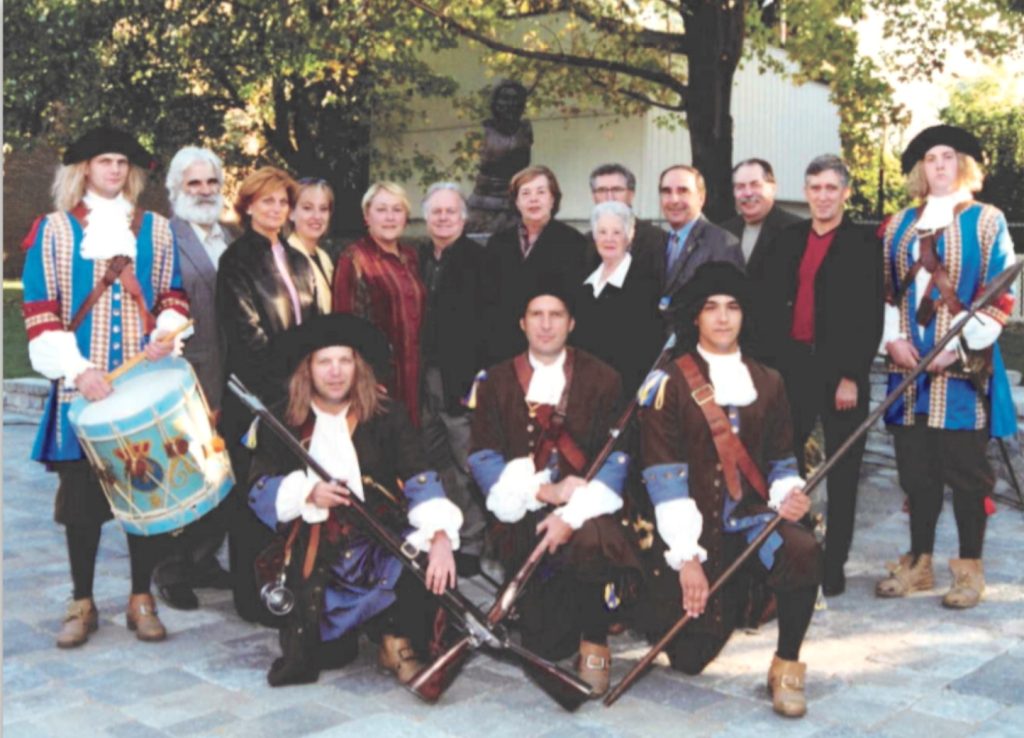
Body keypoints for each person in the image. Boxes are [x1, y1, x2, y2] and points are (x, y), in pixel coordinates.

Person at [22, 126, 191, 646]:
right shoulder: (51, 231)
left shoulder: (157, 230)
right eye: (104, 162)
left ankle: (141, 596)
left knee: (147, 491)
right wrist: (79, 371)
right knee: (82, 502)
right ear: (84, 170)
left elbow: (173, 294)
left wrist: (166, 332)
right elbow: (41, 311)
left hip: (142, 384)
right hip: (83, 387)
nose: (114, 170)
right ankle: (82, 599)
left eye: (122, 162)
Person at [638, 261, 821, 718]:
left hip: (751, 524)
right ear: (695, 317)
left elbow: (781, 461)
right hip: (692, 530)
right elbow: (664, 478)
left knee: (802, 550)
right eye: (711, 307)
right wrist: (687, 557)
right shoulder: (668, 384)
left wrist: (788, 493)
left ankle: (788, 664)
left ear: (745, 315)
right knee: (689, 661)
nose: (723, 317)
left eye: (733, 307)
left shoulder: (769, 381)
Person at [247, 314, 462, 686]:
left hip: (380, 543)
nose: (335, 372)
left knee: (425, 562)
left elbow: (419, 475)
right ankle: (370, 631)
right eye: (324, 361)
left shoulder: (386, 415)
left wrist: (441, 536)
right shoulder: (283, 420)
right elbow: (258, 487)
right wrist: (308, 493)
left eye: (344, 361)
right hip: (319, 553)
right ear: (308, 369)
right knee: (330, 655)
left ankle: (395, 639)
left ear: (357, 367)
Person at [467, 284, 642, 696]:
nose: (546, 325)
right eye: (537, 315)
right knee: (545, 642)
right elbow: (482, 457)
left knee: (592, 535)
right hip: (522, 515)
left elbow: (616, 460)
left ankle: (596, 639)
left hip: (588, 507)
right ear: (522, 323)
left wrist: (569, 512)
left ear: (571, 323)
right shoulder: (494, 380)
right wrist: (543, 494)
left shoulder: (603, 378)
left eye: (556, 315)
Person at [876, 125, 1018, 609]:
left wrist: (956, 350)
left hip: (961, 372)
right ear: (921, 168)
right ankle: (919, 563)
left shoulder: (986, 220)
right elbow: (888, 293)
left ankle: (969, 570)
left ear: (964, 165)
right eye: (931, 158)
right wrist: (893, 341)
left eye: (949, 156)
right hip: (908, 370)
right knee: (916, 472)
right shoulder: (898, 225)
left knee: (965, 473)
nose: (940, 165)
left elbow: (1000, 296)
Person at [756, 155, 883, 595]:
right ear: (806, 192)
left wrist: (851, 375)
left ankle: (835, 562)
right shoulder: (788, 239)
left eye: (831, 188)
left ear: (845, 192)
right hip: (793, 368)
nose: (823, 196)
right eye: (815, 188)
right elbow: (769, 305)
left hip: (841, 372)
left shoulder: (864, 243)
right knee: (785, 464)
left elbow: (869, 316)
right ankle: (800, 549)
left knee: (843, 470)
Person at [217, 166, 321, 623]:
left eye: (282, 201)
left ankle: (287, 584)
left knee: (292, 494)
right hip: (256, 397)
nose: (276, 209)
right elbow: (246, 335)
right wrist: (287, 383)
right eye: (267, 201)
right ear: (248, 206)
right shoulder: (237, 260)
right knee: (253, 494)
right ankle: (249, 594)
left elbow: (316, 325)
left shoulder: (300, 260)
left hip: (300, 395)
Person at [156, 145, 236, 610]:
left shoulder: (230, 236)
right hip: (185, 374)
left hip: (233, 375)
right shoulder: (164, 238)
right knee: (182, 472)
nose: (205, 191)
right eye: (194, 183)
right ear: (176, 189)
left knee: (223, 472)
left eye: (211, 182)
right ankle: (171, 569)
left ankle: (205, 557)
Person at [418, 183, 488, 576]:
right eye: (436, 212)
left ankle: (474, 542)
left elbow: (492, 325)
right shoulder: (420, 256)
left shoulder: (479, 261)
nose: (443, 218)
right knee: (434, 459)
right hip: (424, 377)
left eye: (450, 212)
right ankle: (443, 532)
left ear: (463, 217)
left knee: (466, 463)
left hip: (462, 379)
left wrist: (480, 380)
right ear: (426, 217)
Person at [333, 181, 426, 427]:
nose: (389, 217)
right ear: (367, 216)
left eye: (397, 210)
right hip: (380, 380)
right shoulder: (354, 259)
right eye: (381, 209)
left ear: (406, 217)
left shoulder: (411, 257)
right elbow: (346, 326)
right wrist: (365, 378)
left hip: (416, 377)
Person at [482, 165, 588, 364]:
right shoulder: (498, 243)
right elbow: (488, 300)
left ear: (552, 198)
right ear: (516, 201)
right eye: (526, 193)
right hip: (503, 351)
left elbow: (577, 305)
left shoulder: (573, 243)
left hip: (552, 350)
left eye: (541, 192)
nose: (533, 199)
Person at [572, 200, 663, 397]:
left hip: (624, 392)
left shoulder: (646, 285)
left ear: (629, 236)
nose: (609, 239)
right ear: (594, 236)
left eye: (617, 232)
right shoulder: (583, 284)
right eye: (602, 232)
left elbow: (645, 352)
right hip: (584, 391)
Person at [655, 165, 744, 328]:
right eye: (666, 191)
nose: (674, 199)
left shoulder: (723, 243)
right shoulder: (658, 242)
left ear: (701, 198)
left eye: (683, 191)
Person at [465, 80, 534, 234]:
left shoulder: (525, 129)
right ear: (495, 103)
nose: (510, 104)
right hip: (484, 205)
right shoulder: (485, 130)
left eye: (515, 99)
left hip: (516, 203)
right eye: (505, 98)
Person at [720, 158, 801, 277]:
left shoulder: (797, 231)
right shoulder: (723, 232)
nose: (748, 193)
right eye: (740, 186)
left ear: (773, 188)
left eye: (755, 185)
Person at [585, 163, 668, 273]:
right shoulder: (585, 242)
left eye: (617, 190)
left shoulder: (656, 239)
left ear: (631, 194)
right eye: (601, 190)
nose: (610, 197)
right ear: (593, 196)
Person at [288, 177, 335, 314]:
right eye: (307, 208)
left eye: (323, 209)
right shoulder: (286, 259)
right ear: (291, 213)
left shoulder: (324, 258)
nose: (317, 216)